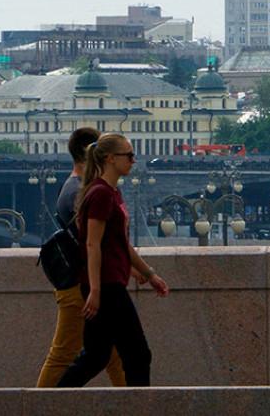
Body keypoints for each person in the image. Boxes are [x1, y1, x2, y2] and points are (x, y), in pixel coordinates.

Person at [56, 133, 170, 388]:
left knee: (96, 356)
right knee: (138, 355)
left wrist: (149, 274)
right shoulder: (101, 194)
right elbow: (92, 245)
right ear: (110, 159)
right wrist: (95, 291)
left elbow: (120, 244)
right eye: (128, 155)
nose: (133, 160)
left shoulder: (111, 192)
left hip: (110, 282)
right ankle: (139, 408)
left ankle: (48, 403)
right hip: (107, 286)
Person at [36, 127, 128, 387]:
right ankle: (35, 407)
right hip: (80, 288)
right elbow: (94, 242)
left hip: (84, 283)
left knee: (115, 356)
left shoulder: (76, 187)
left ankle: (135, 404)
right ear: (92, 155)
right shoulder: (80, 190)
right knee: (63, 355)